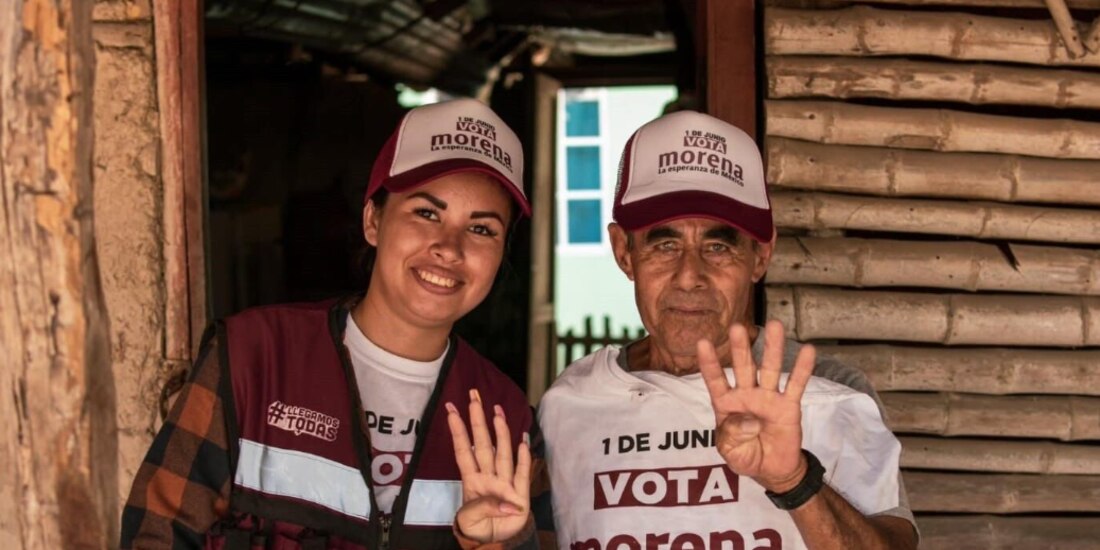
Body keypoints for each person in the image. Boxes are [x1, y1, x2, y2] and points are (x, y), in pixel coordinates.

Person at [469, 110, 918, 549]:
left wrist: (794, 480)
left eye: (718, 246)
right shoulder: (571, 402)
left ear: (760, 256)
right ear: (624, 252)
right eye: (664, 244)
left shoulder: (831, 393)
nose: (689, 276)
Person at [120, 98, 537, 549]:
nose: (448, 248)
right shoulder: (252, 358)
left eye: (481, 230)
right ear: (373, 220)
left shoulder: (508, 419)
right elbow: (156, 534)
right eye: (426, 213)